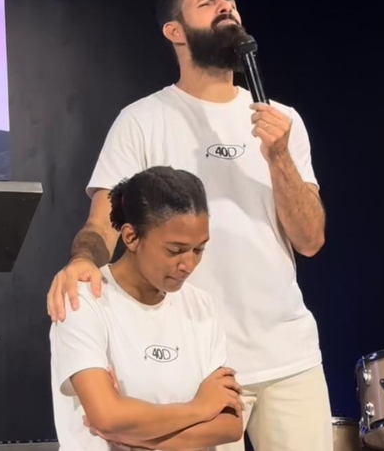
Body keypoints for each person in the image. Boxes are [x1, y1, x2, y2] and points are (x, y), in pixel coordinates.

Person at [46, 0, 331, 451]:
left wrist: (279, 156)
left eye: (229, 0)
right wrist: (80, 262)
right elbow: (104, 223)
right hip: (195, 363)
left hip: (288, 356)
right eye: (207, 2)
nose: (226, 7)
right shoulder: (141, 121)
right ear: (174, 31)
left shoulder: (284, 123)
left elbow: (310, 239)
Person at [50, 166, 244, 450]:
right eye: (175, 250)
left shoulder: (201, 306)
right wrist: (199, 408)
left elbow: (229, 424)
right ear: (130, 237)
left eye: (199, 249)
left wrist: (135, 438)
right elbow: (107, 417)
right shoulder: (84, 301)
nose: (188, 265)